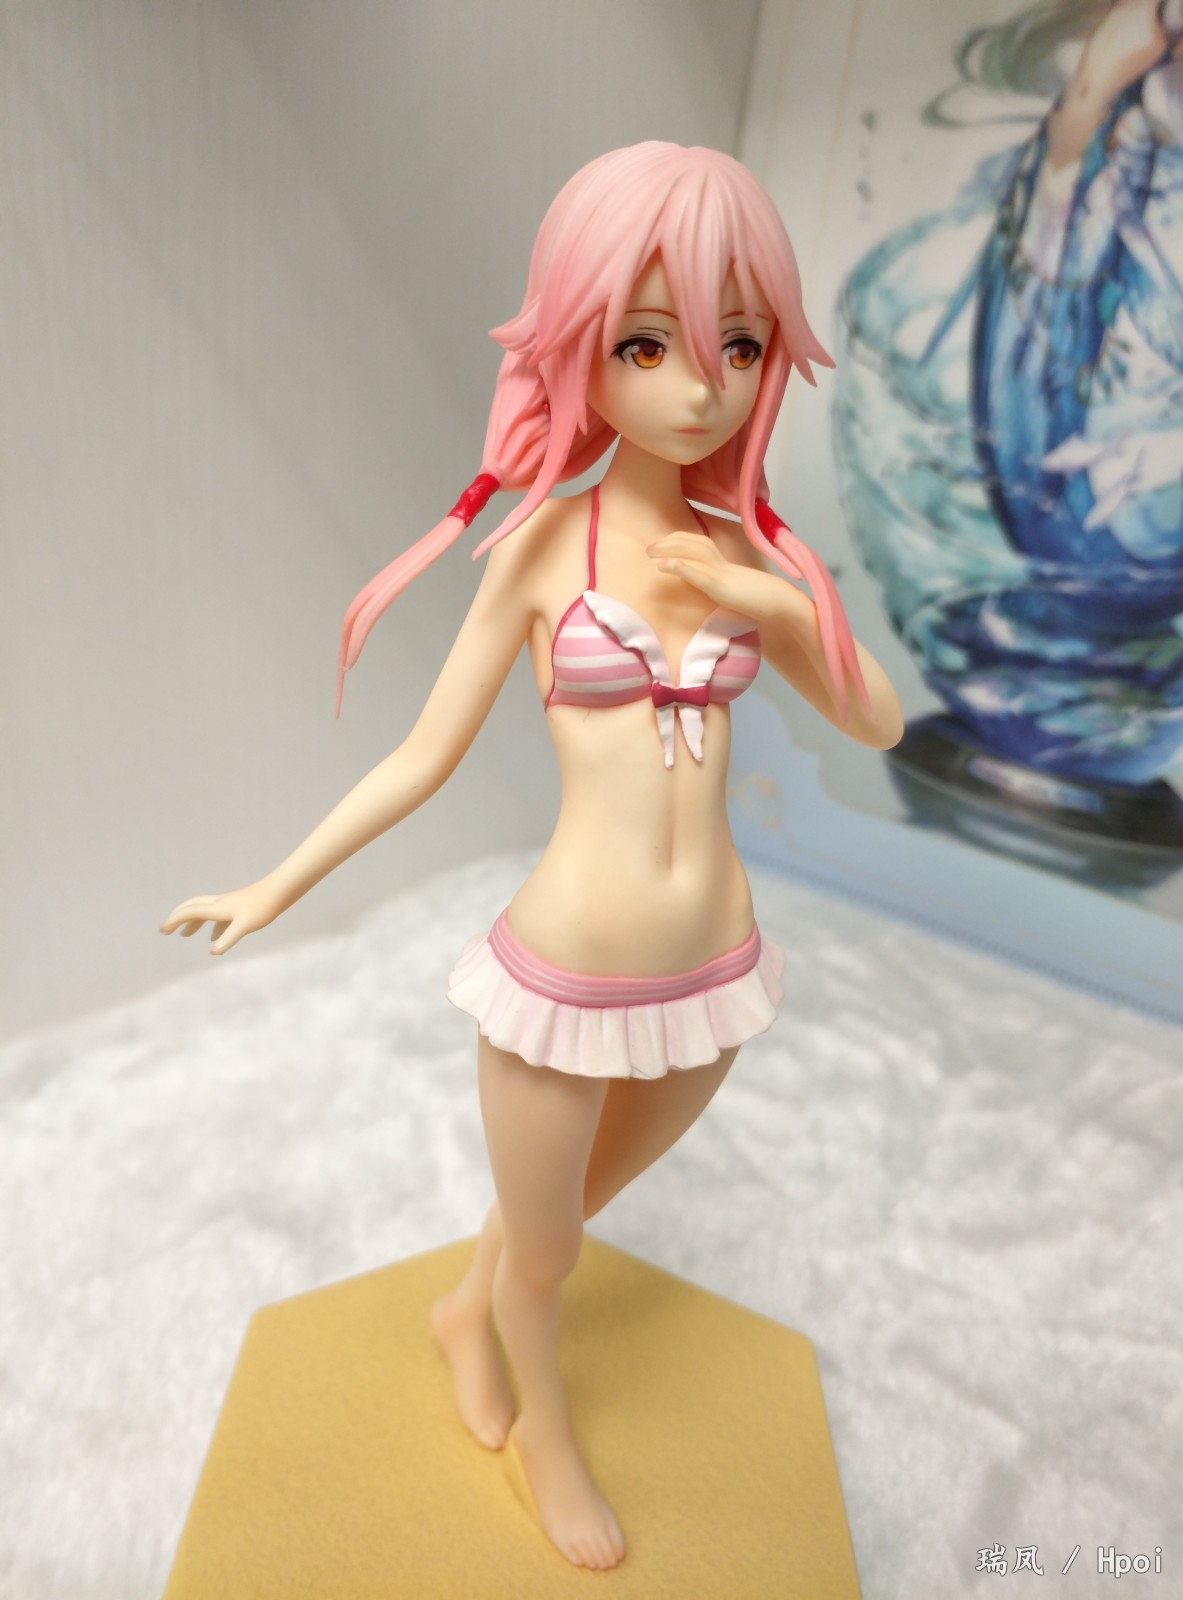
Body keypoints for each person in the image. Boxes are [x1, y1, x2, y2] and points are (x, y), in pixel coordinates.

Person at [161, 142, 904, 1572]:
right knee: (550, 1251)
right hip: (564, 974)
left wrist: (768, 600)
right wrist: (274, 883)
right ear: (581, 345)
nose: (701, 387)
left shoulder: (746, 553)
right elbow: (422, 757)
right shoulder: (542, 552)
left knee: (550, 1218)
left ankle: (465, 1309)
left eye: (741, 344)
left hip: (714, 971)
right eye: (648, 343)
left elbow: (876, 720)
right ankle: (540, 1427)